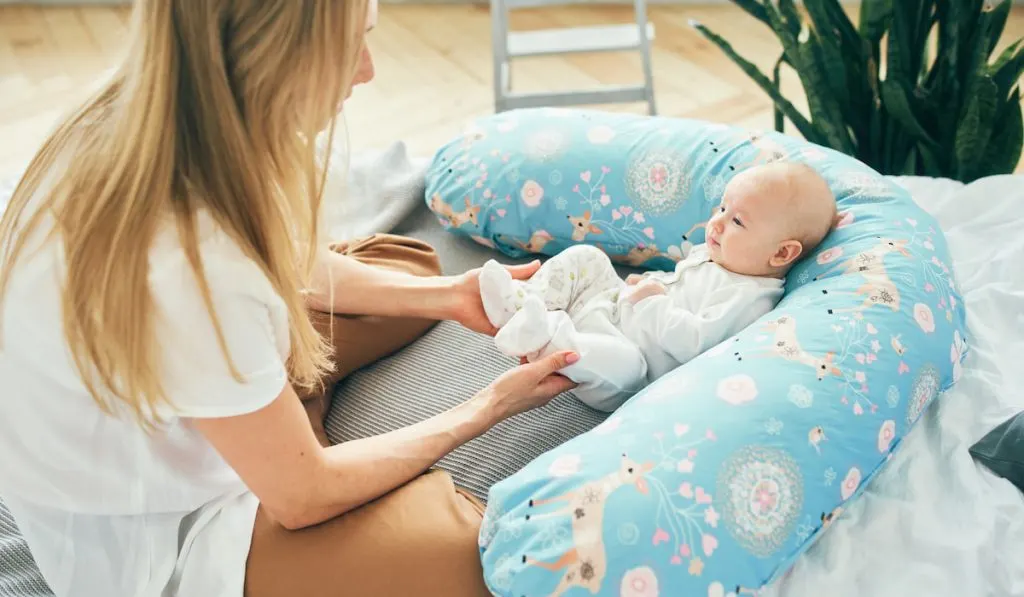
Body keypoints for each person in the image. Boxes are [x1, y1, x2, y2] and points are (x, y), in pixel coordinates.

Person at [0, 1, 580, 596]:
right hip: (164, 536)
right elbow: (302, 498)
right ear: (271, 56)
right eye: (350, 45)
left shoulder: (155, 112)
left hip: (173, 386)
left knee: (407, 264)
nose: (367, 70)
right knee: (475, 556)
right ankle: (290, 433)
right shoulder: (193, 260)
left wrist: (445, 295)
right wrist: (487, 407)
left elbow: (279, 260)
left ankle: (284, 421)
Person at [479, 161, 837, 412]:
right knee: (589, 257)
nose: (716, 223)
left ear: (781, 253)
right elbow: (677, 284)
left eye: (738, 220)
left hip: (624, 363)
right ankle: (520, 304)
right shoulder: (722, 255)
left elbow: (696, 344)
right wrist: (648, 284)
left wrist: (652, 303)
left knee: (626, 365)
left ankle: (542, 337)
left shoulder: (748, 299)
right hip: (612, 310)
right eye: (723, 208)